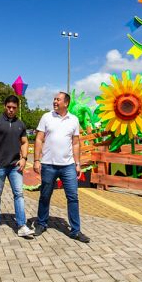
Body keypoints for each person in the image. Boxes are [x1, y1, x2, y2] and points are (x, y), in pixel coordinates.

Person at [33, 92, 90, 243]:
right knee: (45, 196)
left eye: (58, 99)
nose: (54, 101)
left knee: (73, 197)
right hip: (48, 164)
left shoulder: (74, 120)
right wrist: (36, 160)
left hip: (68, 166)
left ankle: (75, 231)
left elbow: (76, 143)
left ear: (66, 103)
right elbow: (39, 139)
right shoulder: (47, 117)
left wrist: (78, 164)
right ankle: (41, 223)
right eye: (54, 99)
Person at [0, 95, 35, 237]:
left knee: (19, 194)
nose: (11, 110)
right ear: (4, 106)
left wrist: (24, 158)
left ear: (17, 108)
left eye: (14, 108)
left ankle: (22, 225)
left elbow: (25, 142)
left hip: (15, 166)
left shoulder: (21, 124)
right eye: (9, 107)